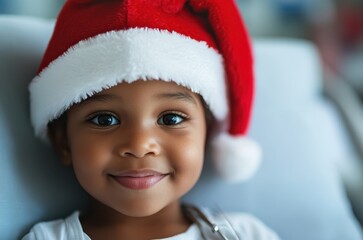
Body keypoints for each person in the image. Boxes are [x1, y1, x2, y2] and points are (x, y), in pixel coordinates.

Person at [23, 0, 280, 239]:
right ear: (63, 142)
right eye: (105, 120)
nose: (139, 144)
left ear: (207, 134)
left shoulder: (246, 233)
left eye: (170, 118)